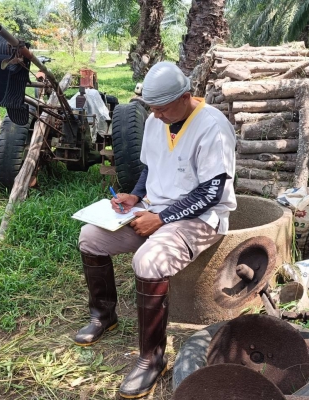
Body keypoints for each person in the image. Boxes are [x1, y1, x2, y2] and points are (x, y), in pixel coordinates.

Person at [75, 61, 236, 398]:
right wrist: (135, 195)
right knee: (90, 237)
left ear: (185, 96)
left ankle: (152, 358)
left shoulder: (213, 127)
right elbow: (151, 167)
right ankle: (103, 316)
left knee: (148, 261)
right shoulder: (153, 120)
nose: (157, 115)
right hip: (154, 210)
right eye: (153, 109)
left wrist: (161, 219)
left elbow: (212, 192)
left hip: (201, 219)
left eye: (163, 109)